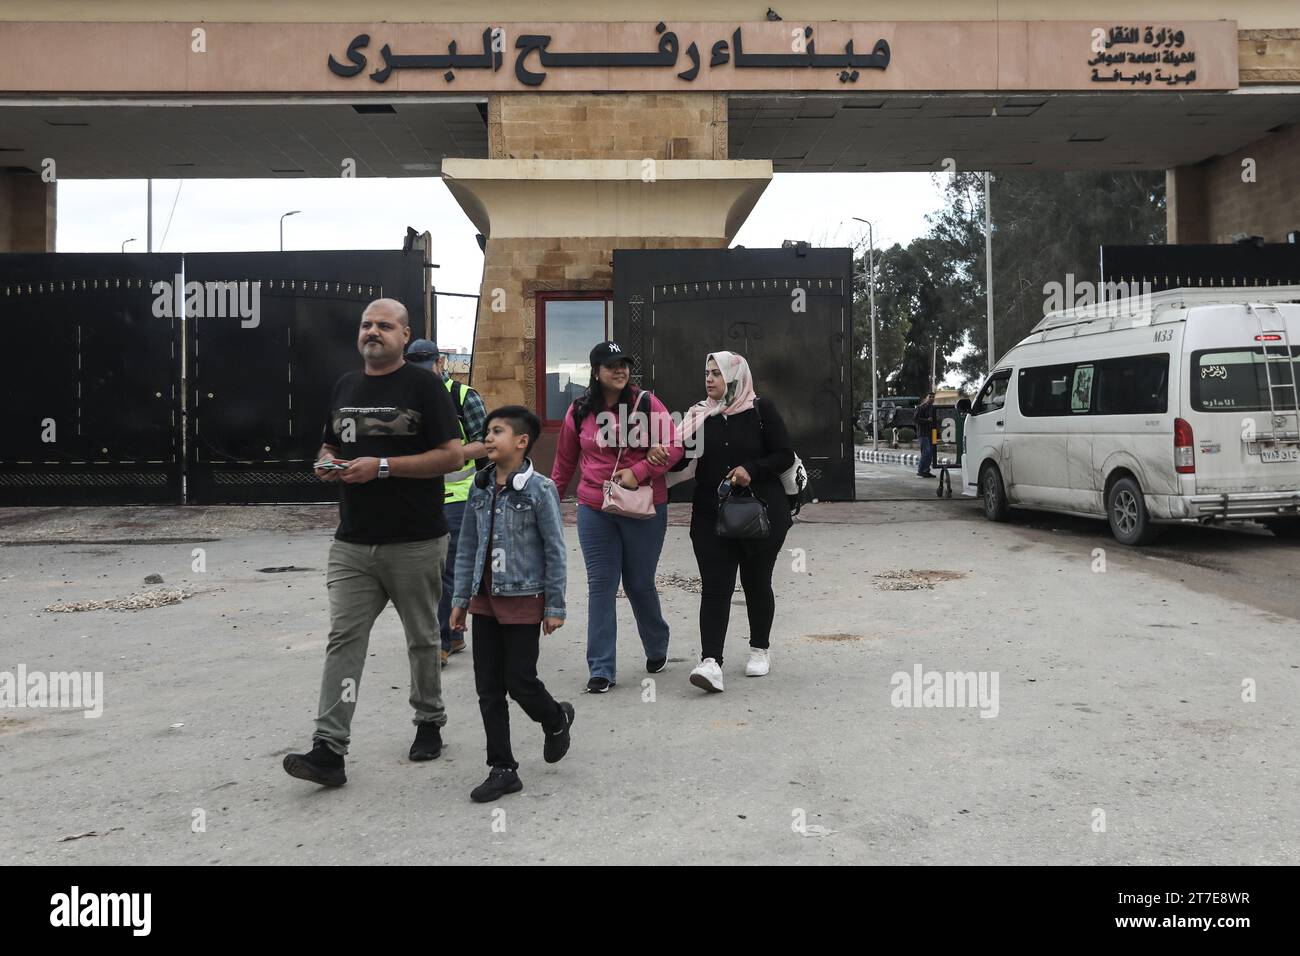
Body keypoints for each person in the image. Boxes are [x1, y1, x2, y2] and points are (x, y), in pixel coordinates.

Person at [283, 299, 465, 788]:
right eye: (366, 325)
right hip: (353, 541)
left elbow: (451, 457)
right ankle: (329, 749)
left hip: (415, 537)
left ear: (405, 336)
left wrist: (384, 466)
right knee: (344, 640)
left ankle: (428, 720)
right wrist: (326, 460)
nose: (373, 332)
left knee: (423, 637)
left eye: (385, 326)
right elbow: (332, 444)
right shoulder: (346, 386)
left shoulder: (425, 387)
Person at [449, 405, 574, 802]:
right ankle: (502, 768)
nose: (487, 437)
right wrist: (460, 599)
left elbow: (555, 549)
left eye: (497, 431)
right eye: (486, 431)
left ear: (521, 442)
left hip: (523, 597)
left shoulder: (540, 489)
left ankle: (555, 718)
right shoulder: (479, 486)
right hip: (485, 600)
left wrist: (555, 604)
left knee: (519, 681)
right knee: (488, 686)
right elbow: (467, 544)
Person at [655, 351, 794, 694]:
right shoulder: (698, 417)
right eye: (707, 372)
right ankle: (711, 662)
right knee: (715, 586)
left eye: (716, 373)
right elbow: (681, 460)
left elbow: (783, 455)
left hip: (761, 513)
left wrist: (752, 469)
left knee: (756, 582)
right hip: (711, 515)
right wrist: (662, 455)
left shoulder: (762, 411)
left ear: (735, 377)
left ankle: (759, 648)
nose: (709, 379)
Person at [551, 341, 683, 693]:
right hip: (595, 509)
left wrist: (638, 471)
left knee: (639, 584)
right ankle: (601, 669)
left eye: (624, 364)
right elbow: (564, 461)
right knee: (601, 586)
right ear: (596, 372)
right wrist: (549, 498)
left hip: (644, 508)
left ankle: (657, 644)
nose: (620, 370)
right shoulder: (579, 410)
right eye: (611, 366)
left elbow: (675, 446)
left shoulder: (645, 404)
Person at [405, 339, 487, 666]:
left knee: (445, 569)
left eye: (427, 368)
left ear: (440, 363)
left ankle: (441, 642)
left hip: (460, 495)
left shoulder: (464, 397)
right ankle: (453, 634)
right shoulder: (406, 401)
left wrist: (449, 457)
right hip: (419, 498)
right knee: (426, 570)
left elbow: (487, 443)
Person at [914, 391, 937, 478]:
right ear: (926, 398)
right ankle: (921, 470)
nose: (931, 398)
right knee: (926, 452)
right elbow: (916, 419)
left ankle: (926, 470)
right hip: (923, 434)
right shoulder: (920, 408)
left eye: (933, 397)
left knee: (930, 453)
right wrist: (927, 420)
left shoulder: (933, 408)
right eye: (930, 397)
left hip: (931, 433)